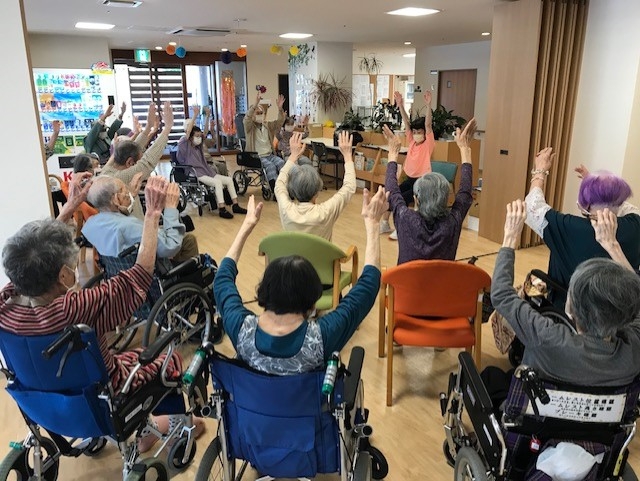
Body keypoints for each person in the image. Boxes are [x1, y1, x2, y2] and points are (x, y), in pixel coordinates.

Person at [0, 175, 203, 451]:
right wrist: (153, 214)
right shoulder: (75, 310)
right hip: (102, 398)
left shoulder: (6, 303)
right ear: (63, 275)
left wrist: (70, 207)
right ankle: (169, 428)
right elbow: (138, 278)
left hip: (43, 403)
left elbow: (32, 258)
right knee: (170, 359)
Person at [213, 187, 388, 375]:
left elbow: (222, 279)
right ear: (312, 302)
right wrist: (372, 224)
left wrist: (246, 227)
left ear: (264, 290)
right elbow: (368, 284)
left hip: (249, 395)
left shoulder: (241, 329)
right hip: (309, 395)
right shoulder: (321, 337)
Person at [491, 199, 640, 387]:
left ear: (570, 310)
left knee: (491, 377)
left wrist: (510, 237)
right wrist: (612, 245)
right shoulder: (633, 349)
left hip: (539, 405)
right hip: (606, 406)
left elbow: (501, 295)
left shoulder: (547, 337)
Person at [524, 148, 640, 307]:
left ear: (583, 204)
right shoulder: (635, 224)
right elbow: (623, 205)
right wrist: (598, 188)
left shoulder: (569, 228)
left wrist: (540, 170)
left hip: (574, 309)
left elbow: (532, 207)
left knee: (531, 282)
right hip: (620, 309)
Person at [383, 119, 475, 265]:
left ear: (416, 199)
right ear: (445, 199)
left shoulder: (406, 218)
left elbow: (392, 191)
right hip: (442, 281)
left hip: (408, 280)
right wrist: (464, 150)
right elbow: (465, 193)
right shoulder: (452, 222)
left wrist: (393, 155)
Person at [83, 175, 198, 263]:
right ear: (116, 199)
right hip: (151, 273)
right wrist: (170, 208)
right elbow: (171, 247)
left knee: (188, 239)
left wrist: (131, 196)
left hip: (118, 274)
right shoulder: (128, 226)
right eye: (124, 189)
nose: (128, 192)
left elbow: (119, 215)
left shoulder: (91, 225)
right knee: (189, 241)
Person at [274, 131, 356, 241]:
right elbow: (349, 186)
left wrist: (293, 156)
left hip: (292, 253)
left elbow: (279, 183)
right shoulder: (325, 212)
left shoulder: (286, 210)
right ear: (317, 192)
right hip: (322, 253)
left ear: (292, 189)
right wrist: (347, 156)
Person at [101, 102, 173, 220]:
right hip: (131, 226)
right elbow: (147, 162)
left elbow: (134, 147)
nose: (140, 161)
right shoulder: (120, 177)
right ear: (130, 163)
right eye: (137, 161)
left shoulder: (107, 170)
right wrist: (168, 128)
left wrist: (149, 127)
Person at [380, 91, 435, 239]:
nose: (416, 134)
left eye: (419, 132)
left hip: (422, 182)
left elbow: (428, 125)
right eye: (415, 131)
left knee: (402, 200)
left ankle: (400, 229)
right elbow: (406, 123)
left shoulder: (428, 144)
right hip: (410, 178)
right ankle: (384, 223)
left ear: (424, 133)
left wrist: (429, 105)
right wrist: (400, 105)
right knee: (391, 195)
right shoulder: (412, 141)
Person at [177, 107, 247, 219]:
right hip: (195, 173)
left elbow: (204, 132)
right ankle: (222, 209)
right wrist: (195, 115)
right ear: (190, 137)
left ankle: (235, 205)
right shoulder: (184, 144)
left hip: (206, 170)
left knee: (229, 180)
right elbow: (189, 133)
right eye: (196, 136)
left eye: (199, 136)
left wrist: (208, 117)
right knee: (217, 183)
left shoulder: (198, 146)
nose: (199, 138)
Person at [243, 92, 286, 195]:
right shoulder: (250, 128)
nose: (260, 115)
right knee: (270, 166)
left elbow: (279, 122)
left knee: (281, 163)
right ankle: (275, 191)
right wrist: (255, 104)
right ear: (253, 115)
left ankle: (284, 188)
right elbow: (246, 119)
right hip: (256, 157)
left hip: (269, 155)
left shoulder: (267, 126)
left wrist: (280, 109)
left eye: (261, 113)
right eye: (257, 113)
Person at [60, 153, 100, 222]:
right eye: (97, 165)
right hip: (95, 216)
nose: (99, 167)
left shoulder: (75, 184)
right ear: (87, 170)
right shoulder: (88, 186)